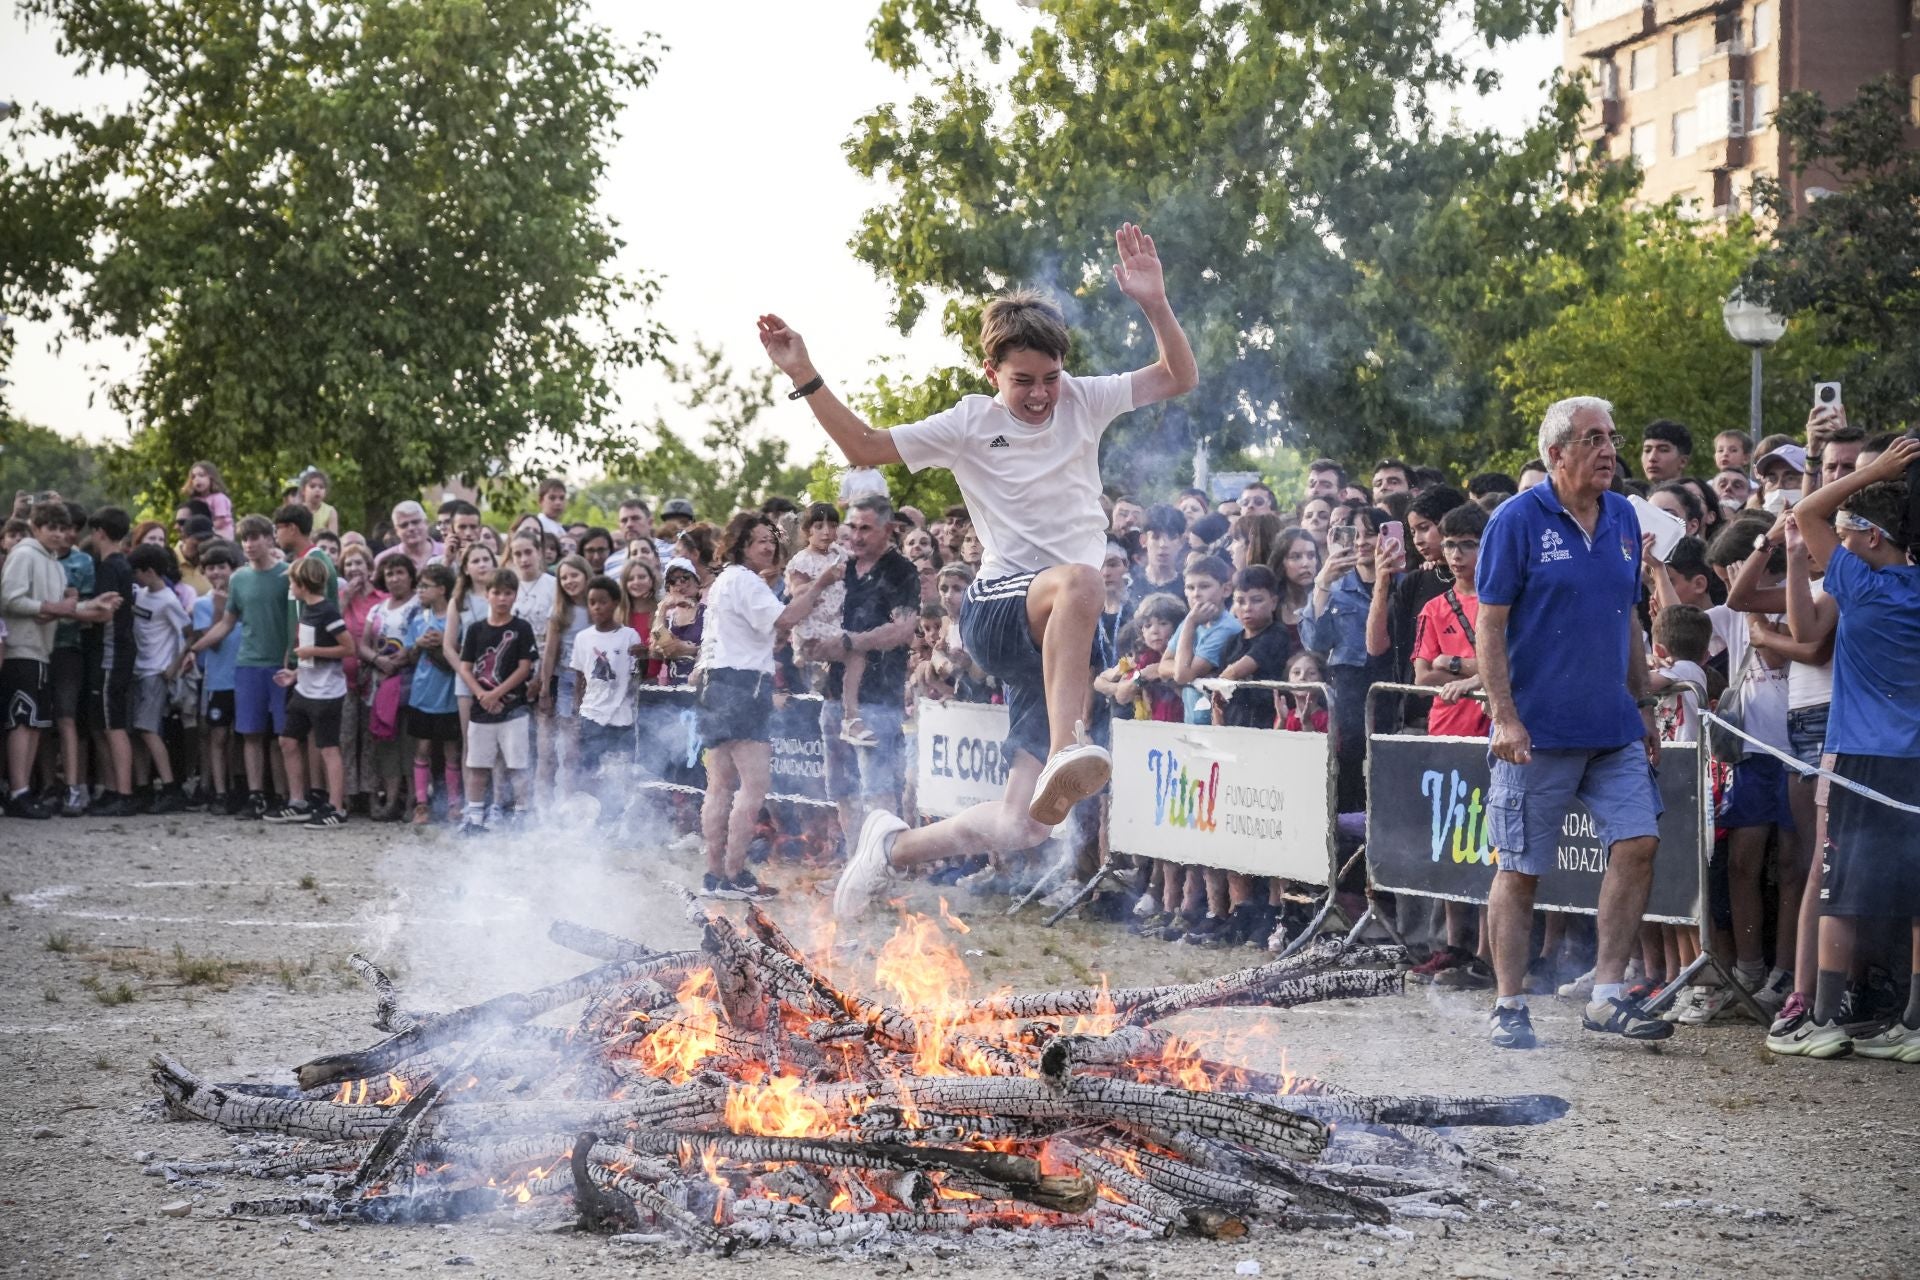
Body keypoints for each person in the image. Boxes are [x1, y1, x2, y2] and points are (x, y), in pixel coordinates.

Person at [760, 222, 1197, 916]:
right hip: (1000, 609)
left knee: (1025, 826)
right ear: (990, 373)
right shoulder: (969, 422)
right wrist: (804, 373)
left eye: (1050, 380)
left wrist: (1154, 305)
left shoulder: (1084, 399)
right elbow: (864, 445)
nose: (1039, 396)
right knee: (1085, 577)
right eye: (1022, 382)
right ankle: (1065, 743)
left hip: (1062, 636)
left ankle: (890, 848)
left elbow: (1179, 376)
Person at [1476, 395, 1672, 1049]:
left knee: (1638, 843)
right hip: (1536, 731)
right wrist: (1504, 717)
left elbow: (1632, 621)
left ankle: (1608, 993)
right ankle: (1509, 1004)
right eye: (1592, 438)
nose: (1609, 450)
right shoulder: (1516, 521)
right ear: (1556, 453)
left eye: (1612, 436)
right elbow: (1490, 624)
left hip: (1613, 725)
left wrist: (1642, 706)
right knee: (1522, 868)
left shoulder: (1622, 516)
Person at [1766, 436, 1920, 1060]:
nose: (1844, 540)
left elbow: (1805, 516)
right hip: (1916, 762)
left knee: (1839, 890)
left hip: (1861, 758)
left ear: (1876, 538)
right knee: (1916, 894)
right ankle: (1913, 1025)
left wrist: (1875, 472)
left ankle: (1823, 1019)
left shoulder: (1862, 584)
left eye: (1854, 532)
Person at [695, 512, 846, 897]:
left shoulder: (725, 581)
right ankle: (732, 873)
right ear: (740, 544)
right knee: (754, 785)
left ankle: (716, 877)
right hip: (744, 685)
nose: (768, 545)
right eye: (759, 539)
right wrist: (822, 583)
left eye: (770, 539)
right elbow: (788, 618)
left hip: (717, 681)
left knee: (720, 785)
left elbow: (760, 631)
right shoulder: (744, 579)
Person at [2, 502, 120, 818]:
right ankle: (17, 791)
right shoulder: (25, 555)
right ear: (35, 528)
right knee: (22, 721)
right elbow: (9, 599)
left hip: (43, 650)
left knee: (36, 724)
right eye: (50, 527)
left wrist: (95, 605)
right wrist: (57, 608)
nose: (58, 534)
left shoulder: (53, 563)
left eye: (62, 528)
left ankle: (23, 790)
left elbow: (65, 610)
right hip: (20, 649)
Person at [818, 494, 919, 827]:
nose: (857, 536)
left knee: (877, 791)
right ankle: (852, 866)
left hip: (878, 697)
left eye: (866, 528)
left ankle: (883, 870)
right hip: (834, 694)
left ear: (888, 529)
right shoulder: (840, 566)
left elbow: (903, 629)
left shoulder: (902, 571)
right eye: (853, 527)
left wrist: (851, 642)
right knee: (843, 790)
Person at [268, 554, 354, 828]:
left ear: (303, 584)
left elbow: (348, 648)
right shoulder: (306, 609)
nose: (290, 587)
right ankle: (298, 802)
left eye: (292, 582)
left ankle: (336, 808)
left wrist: (312, 651)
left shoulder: (328, 612)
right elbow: (309, 656)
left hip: (327, 693)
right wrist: (295, 673)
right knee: (288, 740)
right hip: (304, 689)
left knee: (328, 748)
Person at [457, 568, 539, 836]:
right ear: (486, 595)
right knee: (477, 765)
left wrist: (497, 693)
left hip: (513, 708)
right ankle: (475, 817)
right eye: (496, 593)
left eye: (508, 593)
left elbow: (524, 667)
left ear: (515, 596)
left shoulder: (521, 628)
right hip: (481, 709)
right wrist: (482, 695)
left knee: (517, 765)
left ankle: (522, 815)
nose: (502, 598)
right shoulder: (475, 629)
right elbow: (466, 667)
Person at [1410, 503, 1492, 738]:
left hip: (1498, 729)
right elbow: (1423, 680)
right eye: (1449, 545)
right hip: (1447, 728)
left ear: (1487, 545)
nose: (1456, 555)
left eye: (1468, 545)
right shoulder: (1434, 608)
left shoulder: (1508, 602)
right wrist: (1482, 676)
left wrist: (1451, 662)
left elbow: (1517, 667)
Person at [127, 543, 191, 812]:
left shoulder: (168, 600)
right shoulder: (140, 594)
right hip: (137, 669)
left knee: (149, 730)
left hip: (156, 670)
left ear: (150, 571)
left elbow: (189, 633)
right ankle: (142, 786)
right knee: (136, 732)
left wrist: (174, 665)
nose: (134, 577)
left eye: (137, 572)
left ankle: (170, 786)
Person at [570, 574, 644, 800]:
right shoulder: (583, 638)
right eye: (592, 602)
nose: (597, 607)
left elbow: (635, 677)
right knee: (592, 771)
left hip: (622, 717)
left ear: (615, 603)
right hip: (592, 715)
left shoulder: (629, 636)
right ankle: (593, 816)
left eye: (603, 601)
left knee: (620, 772)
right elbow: (579, 678)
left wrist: (643, 660)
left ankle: (616, 816)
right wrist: (577, 713)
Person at [86, 506, 139, 815]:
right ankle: (111, 788)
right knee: (104, 723)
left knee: (114, 724)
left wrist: (73, 609)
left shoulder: (109, 567)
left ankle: (124, 792)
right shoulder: (123, 566)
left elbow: (103, 611)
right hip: (117, 650)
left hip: (112, 651)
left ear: (100, 533)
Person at [186, 541, 244, 813]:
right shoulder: (202, 604)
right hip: (219, 679)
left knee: (241, 737)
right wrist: (220, 609)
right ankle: (219, 791)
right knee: (217, 737)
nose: (217, 572)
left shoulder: (244, 596)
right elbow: (213, 643)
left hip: (244, 676)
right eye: (210, 568)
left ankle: (239, 788)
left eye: (222, 566)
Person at [403, 564, 462, 826]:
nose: (420, 591)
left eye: (425, 587)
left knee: (451, 751)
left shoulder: (456, 619)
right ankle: (421, 804)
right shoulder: (418, 620)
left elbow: (462, 655)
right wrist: (419, 644)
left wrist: (445, 643)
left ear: (442, 589)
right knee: (422, 748)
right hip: (422, 695)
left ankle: (453, 804)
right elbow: (409, 657)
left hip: (449, 696)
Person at [1212, 565, 1290, 728]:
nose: (1247, 607)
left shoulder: (1278, 633)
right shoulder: (1231, 643)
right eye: (1240, 601)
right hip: (1232, 725)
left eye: (1257, 600)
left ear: (1273, 602)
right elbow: (1218, 700)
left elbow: (1236, 671)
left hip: (1267, 726)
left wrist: (1220, 683)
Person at [374, 501, 442, 573]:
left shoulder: (446, 552)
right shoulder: (383, 560)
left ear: (426, 523)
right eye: (404, 525)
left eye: (415, 522)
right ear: (396, 531)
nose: (411, 528)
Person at [182, 461, 234, 540]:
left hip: (222, 535)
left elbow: (221, 521)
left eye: (201, 475)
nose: (197, 479)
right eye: (193, 477)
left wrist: (204, 528)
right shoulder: (196, 500)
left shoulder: (219, 498)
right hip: (204, 534)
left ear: (211, 477)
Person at [1640, 420, 1693, 486]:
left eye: (1663, 450)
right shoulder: (1634, 494)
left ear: (1683, 461)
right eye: (1647, 450)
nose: (1652, 458)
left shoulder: (1694, 495)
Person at [297, 467, 340, 534]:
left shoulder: (330, 512)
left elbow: (333, 537)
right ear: (303, 490)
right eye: (312, 486)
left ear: (325, 492)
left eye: (321, 487)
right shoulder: (297, 511)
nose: (317, 490)